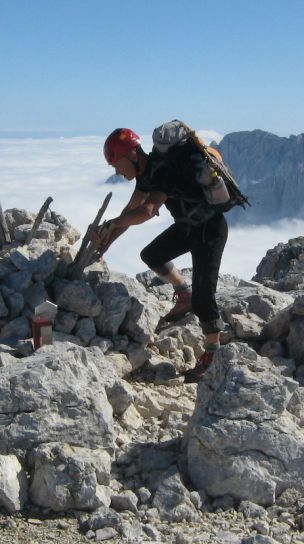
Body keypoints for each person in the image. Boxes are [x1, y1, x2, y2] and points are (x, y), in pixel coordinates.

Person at [101, 126, 229, 382]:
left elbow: (147, 210)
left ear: (134, 155)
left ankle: (213, 355)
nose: (117, 171)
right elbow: (129, 212)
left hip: (209, 231)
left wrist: (111, 223)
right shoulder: (146, 175)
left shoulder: (162, 171)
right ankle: (184, 294)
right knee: (152, 254)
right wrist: (105, 243)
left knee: (205, 298)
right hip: (187, 227)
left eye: (118, 164)